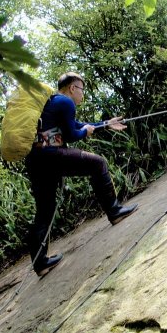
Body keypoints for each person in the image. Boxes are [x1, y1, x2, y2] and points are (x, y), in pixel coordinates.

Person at [25, 72, 138, 276]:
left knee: (45, 209)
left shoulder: (53, 103)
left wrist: (105, 123)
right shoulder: (65, 103)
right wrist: (86, 131)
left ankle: (40, 263)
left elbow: (76, 125)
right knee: (98, 163)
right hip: (51, 156)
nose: (82, 95)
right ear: (72, 88)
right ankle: (114, 212)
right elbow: (73, 134)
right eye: (81, 90)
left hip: (36, 161)